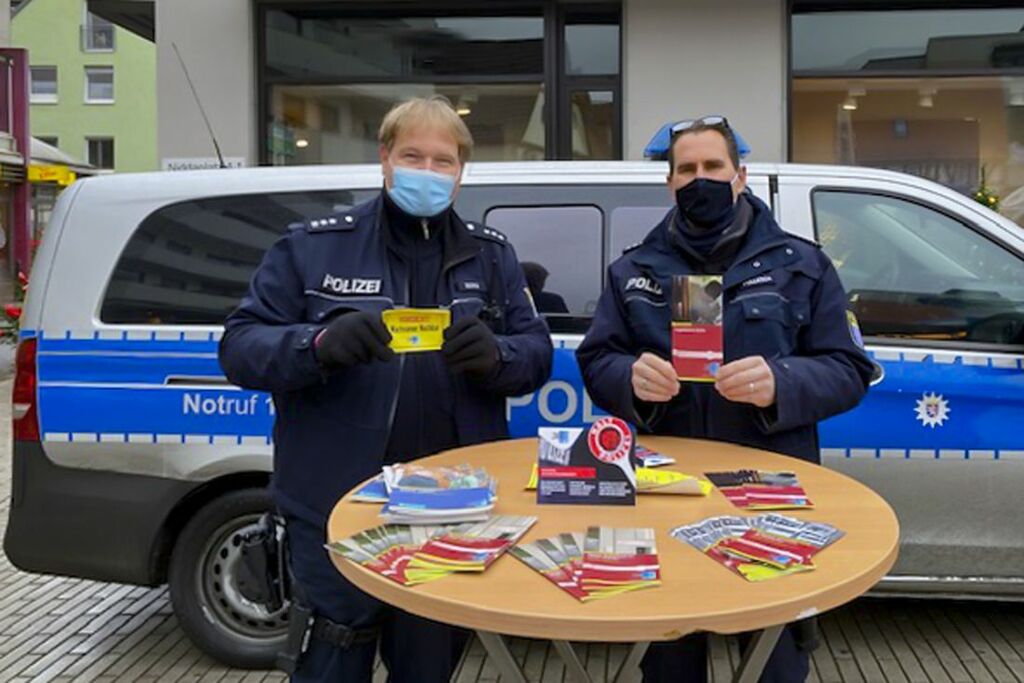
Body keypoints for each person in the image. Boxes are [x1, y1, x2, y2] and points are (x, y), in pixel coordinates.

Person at [219, 96, 553, 682]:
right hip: (336, 506)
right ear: (385, 158)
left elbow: (536, 353)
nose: (428, 171)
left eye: (443, 161)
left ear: (461, 172)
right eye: (413, 156)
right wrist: (318, 345)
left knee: (428, 666)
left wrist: (497, 356)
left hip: (455, 512)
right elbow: (240, 346)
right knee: (333, 659)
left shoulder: (491, 255)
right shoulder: (314, 247)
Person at [576, 116, 874, 683]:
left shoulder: (802, 265)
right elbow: (597, 359)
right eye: (687, 169)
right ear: (669, 182)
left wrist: (782, 382)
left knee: (774, 661)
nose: (701, 179)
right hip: (667, 496)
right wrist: (630, 380)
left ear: (741, 175)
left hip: (769, 497)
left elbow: (849, 369)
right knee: (669, 661)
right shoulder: (633, 270)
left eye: (713, 166)